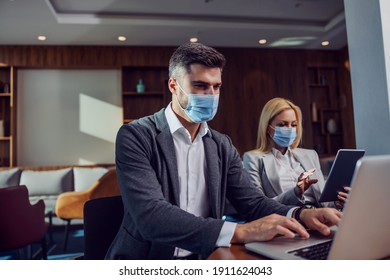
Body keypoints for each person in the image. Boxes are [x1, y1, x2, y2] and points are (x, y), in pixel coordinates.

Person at [105, 43, 340, 260]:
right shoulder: (135, 135)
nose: (211, 95)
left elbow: (253, 203)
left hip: (206, 258)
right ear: (173, 85)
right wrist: (240, 231)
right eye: (200, 85)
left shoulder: (221, 144)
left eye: (216, 86)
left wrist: (300, 214)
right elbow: (151, 216)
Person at [243, 97, 349, 208]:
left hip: (320, 215)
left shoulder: (311, 155)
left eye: (293, 125)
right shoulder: (252, 158)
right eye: (282, 124)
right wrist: (295, 192)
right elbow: (259, 206)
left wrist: (337, 202)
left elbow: (324, 203)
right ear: (267, 128)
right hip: (288, 219)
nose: (289, 129)